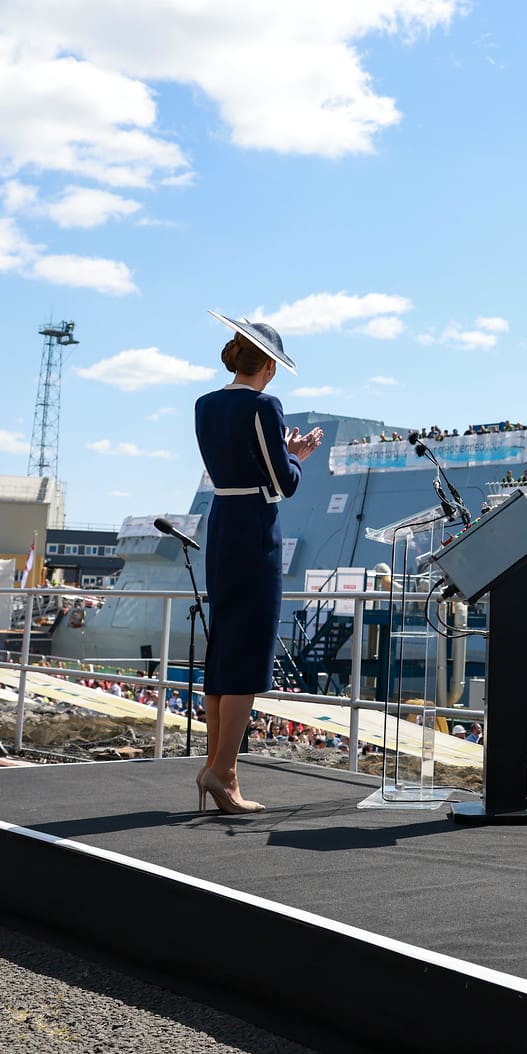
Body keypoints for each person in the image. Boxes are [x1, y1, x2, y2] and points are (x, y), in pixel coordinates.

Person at [194, 312, 323, 814]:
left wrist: (279, 456)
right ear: (268, 364)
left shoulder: (205, 404)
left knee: (223, 647)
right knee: (248, 654)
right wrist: (296, 457)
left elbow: (240, 461)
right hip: (254, 526)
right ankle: (222, 773)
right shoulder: (266, 404)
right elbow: (282, 484)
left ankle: (215, 765)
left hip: (222, 520)